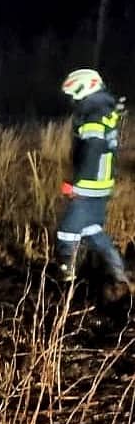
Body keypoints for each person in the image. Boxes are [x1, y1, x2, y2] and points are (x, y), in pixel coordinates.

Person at [56, 68, 129, 286]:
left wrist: (76, 184)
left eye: (73, 94)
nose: (72, 100)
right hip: (102, 184)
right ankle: (120, 277)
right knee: (92, 231)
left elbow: (92, 148)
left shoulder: (93, 114)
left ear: (83, 89)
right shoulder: (104, 110)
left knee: (67, 234)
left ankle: (66, 286)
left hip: (88, 185)